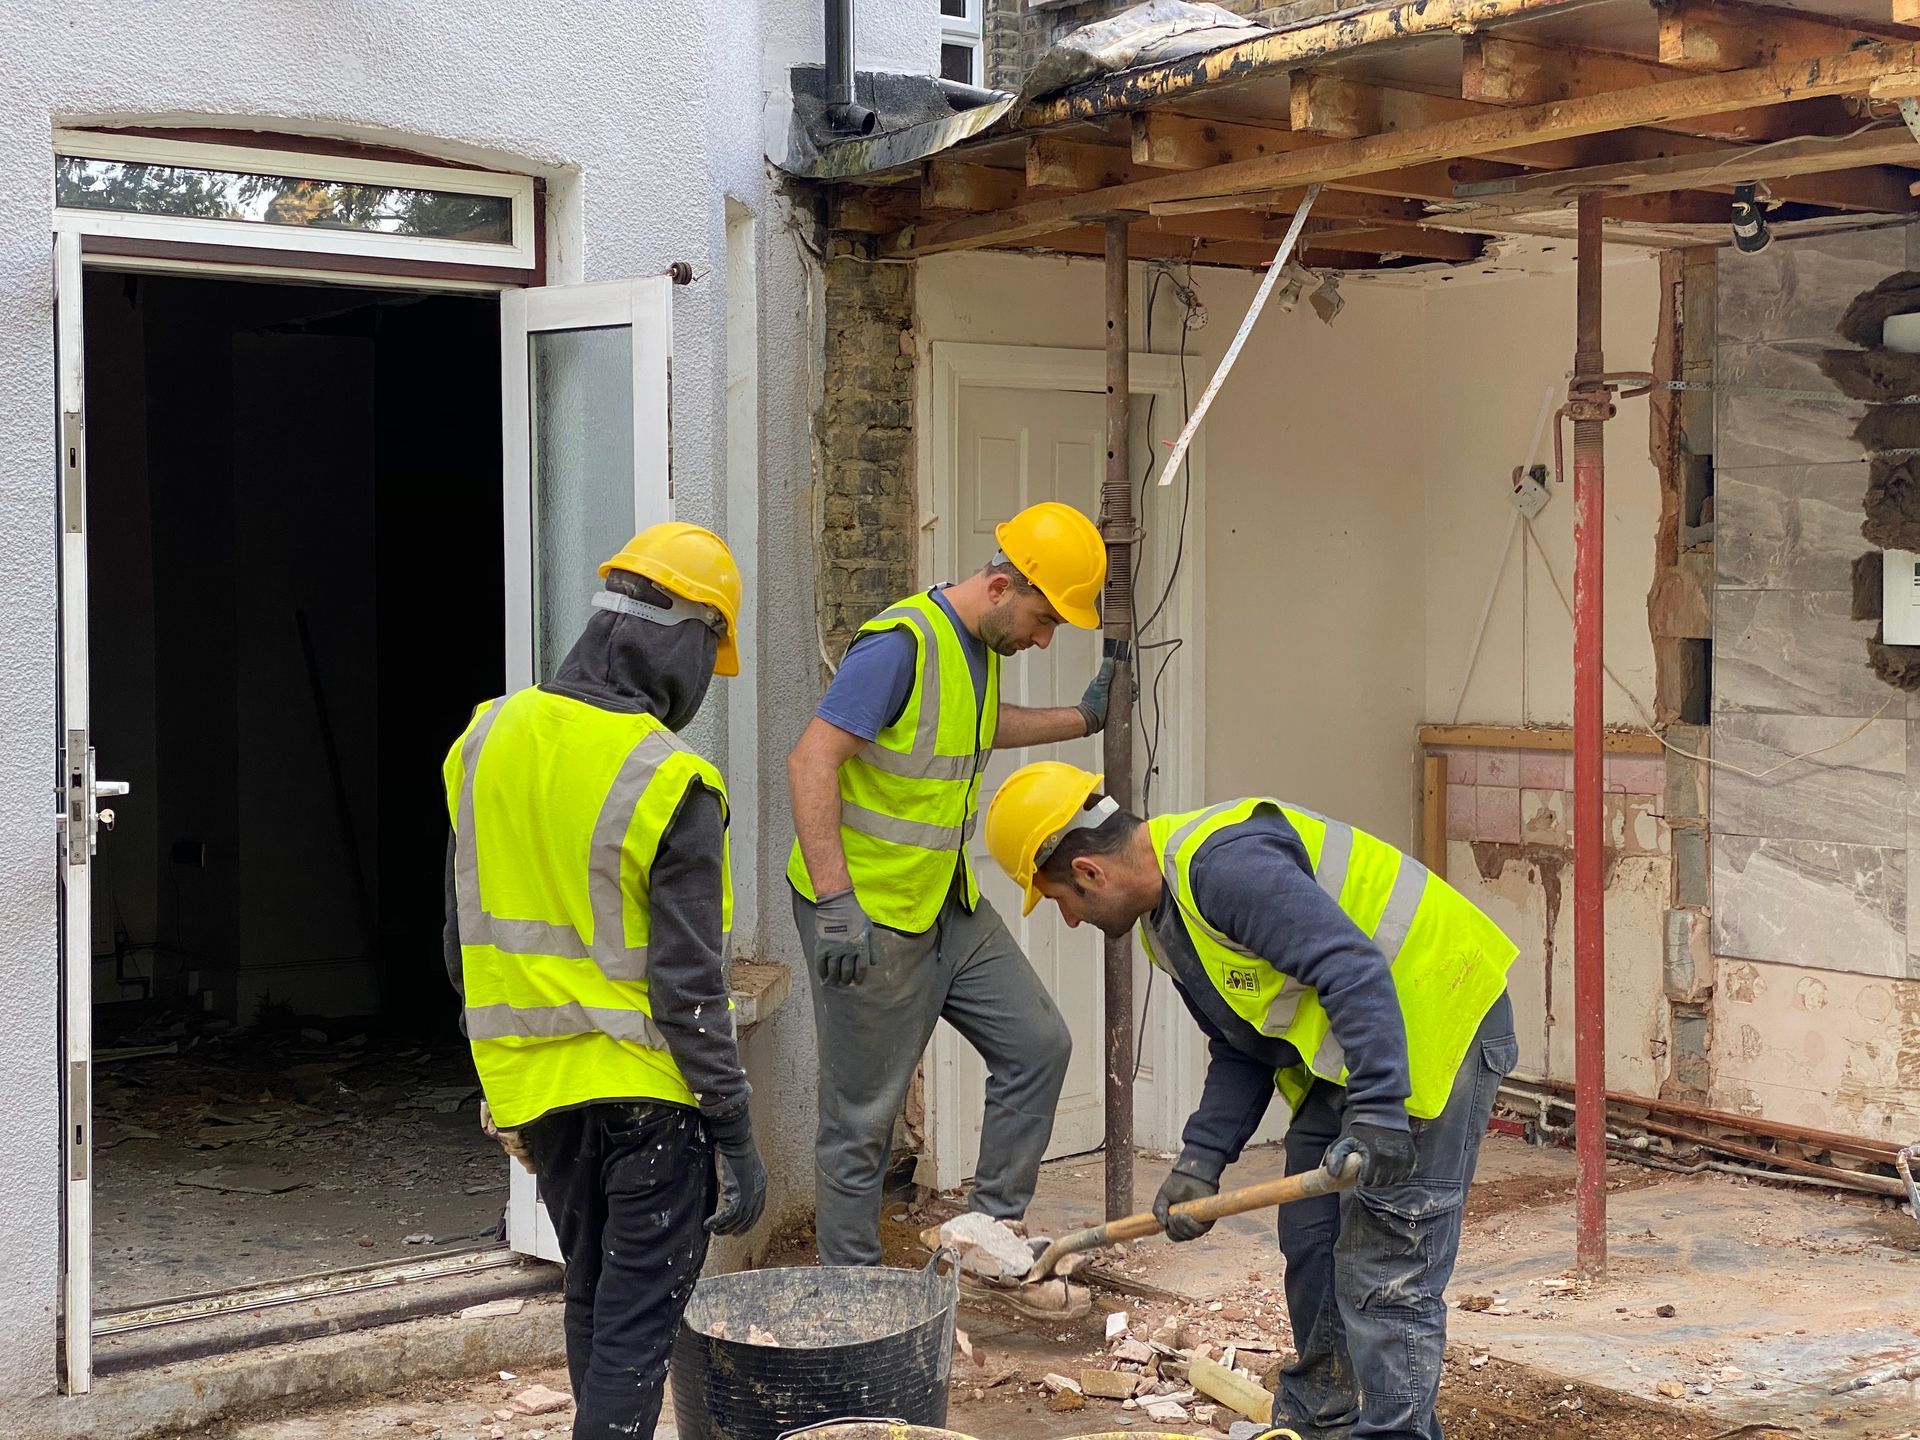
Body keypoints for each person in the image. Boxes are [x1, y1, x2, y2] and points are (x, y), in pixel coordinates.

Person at [984, 762, 1520, 1440]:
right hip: (1358, 1048)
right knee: (1313, 1236)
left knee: (1387, 1265)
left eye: (1061, 899)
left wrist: (1381, 1109)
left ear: (1089, 871)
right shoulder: (1166, 925)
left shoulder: (1223, 867)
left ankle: (1393, 1432)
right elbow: (1242, 1042)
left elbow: (1350, 967)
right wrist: (1201, 1161)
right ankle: (1326, 1414)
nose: (1069, 919)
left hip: (1436, 1020)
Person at [442, 523, 766, 1440]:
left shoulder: (483, 740)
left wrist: (495, 1084)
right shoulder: (671, 780)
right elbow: (689, 988)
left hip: (536, 1095)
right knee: (633, 1332)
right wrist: (736, 1135)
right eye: (713, 652)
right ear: (689, 636)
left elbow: (454, 937)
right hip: (650, 1101)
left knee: (592, 1303)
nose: (705, 683)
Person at [786, 501, 1116, 1270]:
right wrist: (834, 900)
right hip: (866, 915)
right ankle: (853, 1299)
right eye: (1042, 620)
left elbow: (978, 723)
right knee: (861, 1123)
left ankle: (985, 1235)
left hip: (944, 904)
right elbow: (811, 760)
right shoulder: (898, 648)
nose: (1042, 639)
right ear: (1000, 586)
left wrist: (1083, 717)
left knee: (1039, 1045)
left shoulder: (975, 653)